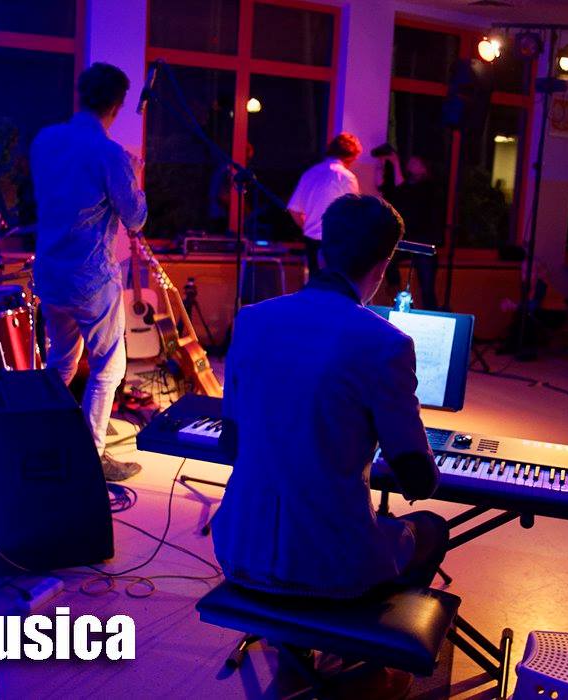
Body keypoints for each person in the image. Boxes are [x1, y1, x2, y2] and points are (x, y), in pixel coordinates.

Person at [212, 194, 445, 698]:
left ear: (321, 252)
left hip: (238, 549)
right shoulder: (385, 343)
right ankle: (367, 666)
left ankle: (297, 660)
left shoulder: (251, 320)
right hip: (328, 571)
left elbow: (232, 445)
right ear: (382, 267)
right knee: (430, 528)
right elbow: (418, 481)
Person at [31, 62, 147, 482]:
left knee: (61, 361)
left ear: (81, 95)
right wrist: (134, 175)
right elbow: (135, 218)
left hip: (51, 273)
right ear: (116, 105)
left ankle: (43, 438)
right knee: (108, 369)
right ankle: (91, 457)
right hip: (90, 279)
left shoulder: (45, 140)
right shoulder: (109, 154)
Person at [288, 133, 362, 276]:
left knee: (316, 282)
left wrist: (309, 227)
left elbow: (294, 209)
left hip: (311, 242)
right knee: (336, 283)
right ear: (350, 156)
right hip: (336, 241)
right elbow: (353, 214)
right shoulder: (347, 177)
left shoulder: (310, 173)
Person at [377, 152, 445, 309]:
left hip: (424, 241)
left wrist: (396, 164)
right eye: (410, 161)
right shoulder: (406, 186)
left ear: (424, 168)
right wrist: (382, 167)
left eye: (415, 162)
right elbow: (393, 194)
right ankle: (398, 300)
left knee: (427, 286)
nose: (410, 164)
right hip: (407, 239)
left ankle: (431, 314)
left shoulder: (429, 187)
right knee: (388, 259)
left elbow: (409, 196)